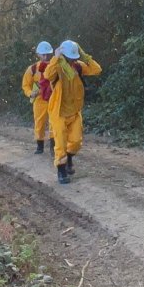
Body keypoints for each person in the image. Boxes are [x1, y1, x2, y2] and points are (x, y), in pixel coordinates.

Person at [44, 40, 102, 184]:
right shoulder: (57, 67)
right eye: (71, 56)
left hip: (75, 111)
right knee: (61, 144)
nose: (73, 59)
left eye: (75, 56)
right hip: (58, 113)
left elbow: (97, 69)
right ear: (64, 55)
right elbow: (47, 75)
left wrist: (84, 55)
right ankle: (62, 171)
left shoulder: (78, 67)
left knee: (76, 142)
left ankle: (69, 158)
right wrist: (55, 58)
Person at [21, 41, 54, 155]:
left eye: (48, 54)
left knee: (54, 123)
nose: (46, 57)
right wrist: (30, 93)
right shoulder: (33, 69)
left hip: (53, 98)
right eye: (43, 54)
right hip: (39, 100)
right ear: (38, 54)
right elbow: (25, 85)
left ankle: (53, 147)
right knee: (39, 123)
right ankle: (40, 146)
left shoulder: (55, 66)